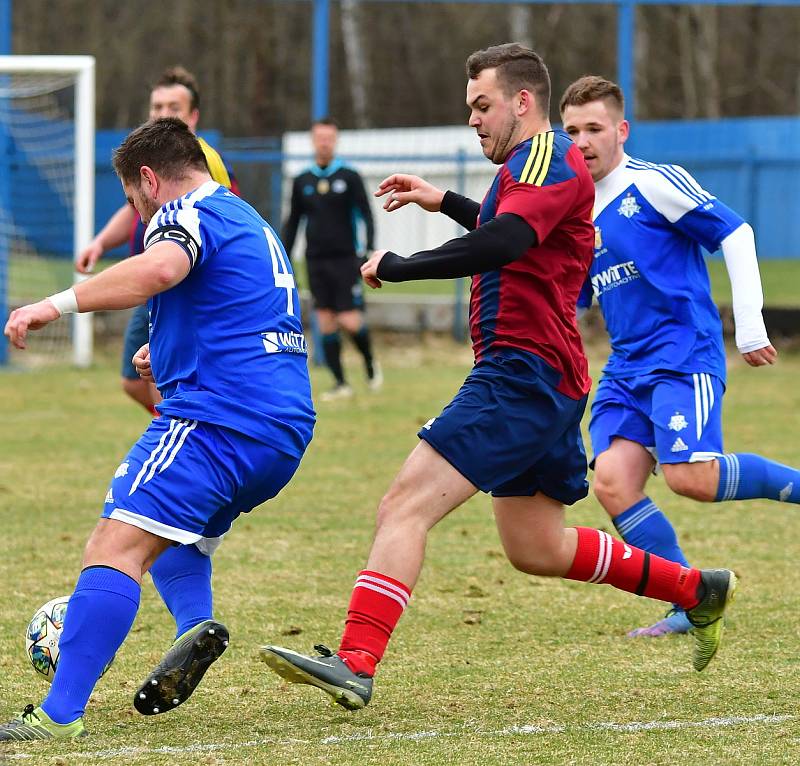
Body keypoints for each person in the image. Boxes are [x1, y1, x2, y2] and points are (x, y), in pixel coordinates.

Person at [258, 44, 737, 712]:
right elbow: (516, 227)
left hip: (522, 371)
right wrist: (445, 199)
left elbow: (506, 241)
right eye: (469, 109)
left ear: (522, 101)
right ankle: (695, 589)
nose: (474, 121)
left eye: (482, 106)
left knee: (403, 506)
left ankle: (356, 661)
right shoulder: (530, 166)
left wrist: (399, 265)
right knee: (534, 546)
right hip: (548, 376)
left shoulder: (544, 154)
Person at [1, 117, 314, 741]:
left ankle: (58, 715)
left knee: (113, 546)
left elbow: (161, 270)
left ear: (149, 179)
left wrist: (52, 303)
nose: (137, 216)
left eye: (131, 200)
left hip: (218, 422)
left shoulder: (183, 212)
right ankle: (194, 625)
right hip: (281, 431)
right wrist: (166, 353)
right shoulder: (247, 219)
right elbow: (236, 312)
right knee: (177, 540)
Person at [559, 75, 800, 637]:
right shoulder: (573, 210)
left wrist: (749, 327)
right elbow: (574, 297)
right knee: (614, 483)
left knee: (690, 477)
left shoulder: (654, 184)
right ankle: (693, 602)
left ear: (621, 130)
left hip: (682, 355)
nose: (583, 141)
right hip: (625, 367)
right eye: (571, 131)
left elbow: (735, 233)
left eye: (594, 128)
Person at [76, 66, 239, 417]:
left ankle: (184, 438)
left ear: (193, 115)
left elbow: (224, 218)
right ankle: (180, 432)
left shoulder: (204, 161)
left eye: (173, 108)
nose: (164, 115)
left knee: (164, 375)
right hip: (151, 284)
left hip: (180, 282)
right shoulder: (149, 160)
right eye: (157, 107)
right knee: (133, 379)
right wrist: (100, 244)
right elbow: (131, 209)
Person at [283, 117, 381, 401]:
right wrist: (285, 257)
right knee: (325, 321)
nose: (324, 143)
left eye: (329, 138)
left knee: (350, 320)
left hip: (346, 260)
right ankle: (341, 384)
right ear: (313, 141)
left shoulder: (349, 177)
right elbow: (293, 222)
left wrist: (369, 249)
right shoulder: (303, 180)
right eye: (319, 138)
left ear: (335, 141)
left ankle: (371, 364)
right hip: (315, 260)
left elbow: (366, 215)